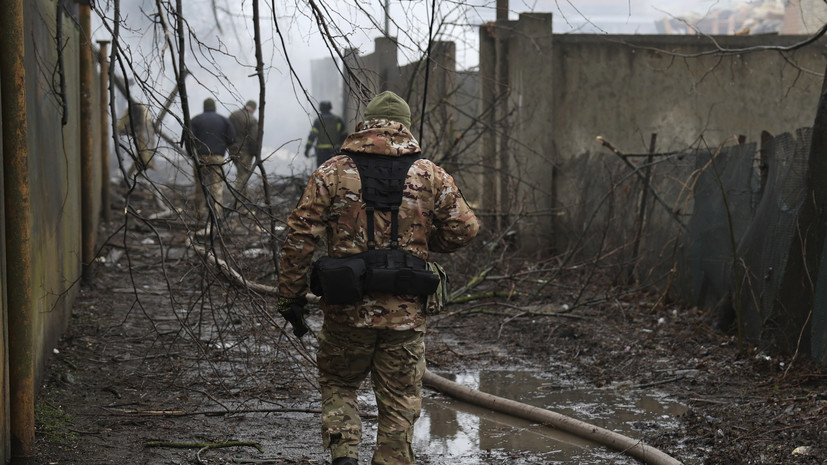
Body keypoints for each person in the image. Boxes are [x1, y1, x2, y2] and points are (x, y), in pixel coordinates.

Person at [278, 91, 479, 465]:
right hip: (404, 316)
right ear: (404, 126)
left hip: (345, 310)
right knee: (400, 402)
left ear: (365, 123)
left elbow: (300, 235)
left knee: (339, 383)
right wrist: (423, 240)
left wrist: (289, 296)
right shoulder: (429, 173)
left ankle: (344, 457)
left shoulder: (331, 171)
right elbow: (465, 229)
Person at [189, 97, 236, 224]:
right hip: (217, 157)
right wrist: (223, 146)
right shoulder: (223, 120)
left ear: (204, 107)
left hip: (201, 157)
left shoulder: (196, 120)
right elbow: (232, 139)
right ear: (215, 107)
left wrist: (191, 154)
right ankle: (216, 214)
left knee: (200, 185)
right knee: (217, 186)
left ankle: (200, 213)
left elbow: (189, 138)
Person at [116, 102, 157, 179]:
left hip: (143, 122)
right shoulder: (137, 112)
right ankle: (141, 168)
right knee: (144, 149)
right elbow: (121, 128)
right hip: (140, 121)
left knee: (145, 149)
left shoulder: (143, 119)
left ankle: (141, 169)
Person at [304, 100, 348, 167]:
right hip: (334, 151)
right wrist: (339, 145)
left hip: (322, 152)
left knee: (321, 172)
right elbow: (344, 135)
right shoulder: (337, 119)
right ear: (330, 108)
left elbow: (312, 136)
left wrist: (307, 149)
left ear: (320, 108)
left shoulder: (318, 121)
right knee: (333, 171)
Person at [228, 99, 258, 196]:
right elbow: (253, 138)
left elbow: (227, 132)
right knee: (243, 176)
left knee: (242, 175)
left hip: (232, 149)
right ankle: (236, 201)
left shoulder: (233, 115)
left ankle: (243, 202)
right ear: (254, 108)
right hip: (245, 152)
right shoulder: (252, 119)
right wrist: (254, 153)